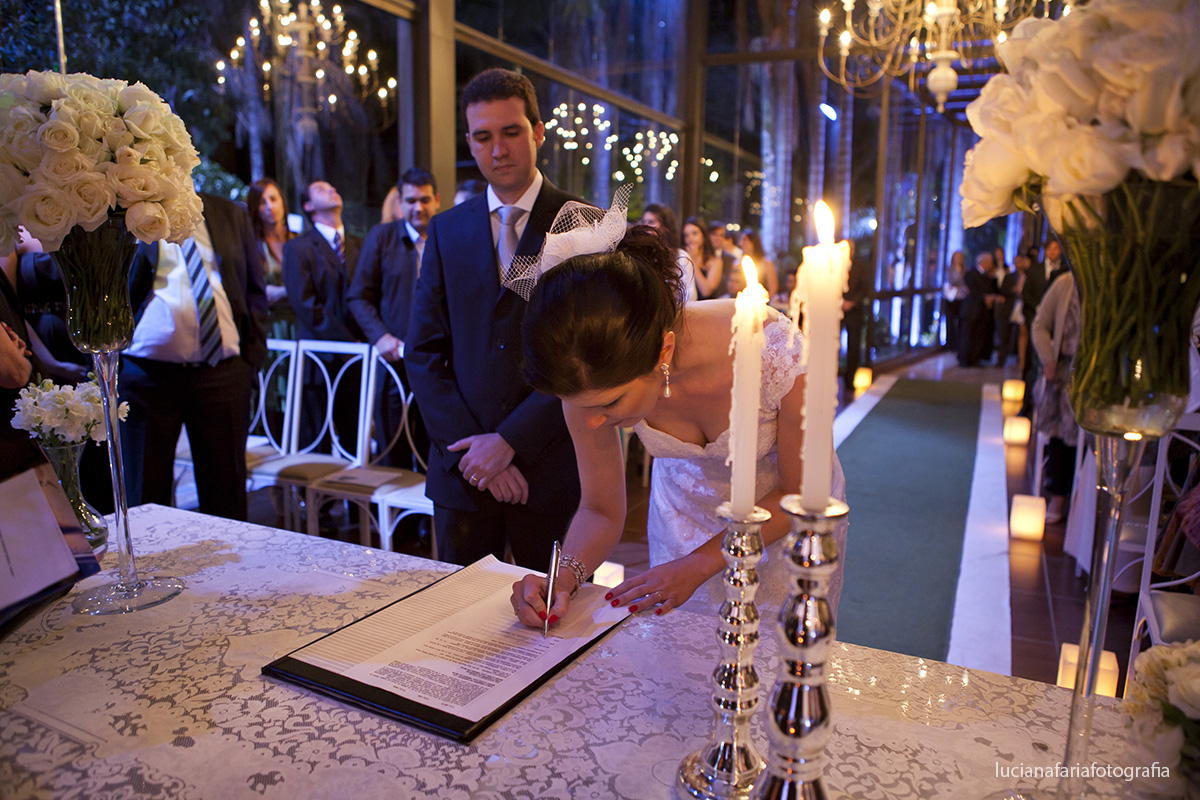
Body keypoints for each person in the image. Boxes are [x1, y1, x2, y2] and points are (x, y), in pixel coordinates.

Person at [509, 223, 847, 629]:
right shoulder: (587, 387)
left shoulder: (776, 354)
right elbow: (599, 509)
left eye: (612, 403)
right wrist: (563, 577)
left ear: (663, 351)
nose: (593, 421)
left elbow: (797, 493)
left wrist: (699, 564)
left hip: (783, 525)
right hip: (681, 521)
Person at [404, 68, 584, 569]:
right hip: (462, 471)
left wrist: (509, 442)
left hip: (547, 468)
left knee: (549, 627)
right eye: (483, 137)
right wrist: (475, 455)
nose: (498, 149)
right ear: (470, 141)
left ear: (538, 132)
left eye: (511, 132)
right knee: (455, 625)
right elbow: (423, 351)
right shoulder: (445, 231)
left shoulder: (583, 223)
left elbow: (587, 358)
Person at [121, 193, 268, 520]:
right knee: (146, 495)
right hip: (147, 376)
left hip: (223, 371)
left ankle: (231, 570)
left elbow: (255, 290)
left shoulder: (228, 212)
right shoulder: (126, 208)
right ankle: (148, 568)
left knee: (226, 494)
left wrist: (252, 356)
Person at [348, 167, 440, 468]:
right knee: (394, 456)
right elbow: (358, 296)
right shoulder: (382, 237)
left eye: (425, 199)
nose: (418, 207)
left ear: (436, 200)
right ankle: (401, 518)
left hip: (438, 365)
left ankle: (433, 517)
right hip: (393, 363)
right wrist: (380, 336)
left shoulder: (446, 236)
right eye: (411, 200)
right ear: (400, 202)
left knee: (437, 455)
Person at [282, 180, 364, 343]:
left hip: (363, 347)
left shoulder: (361, 245)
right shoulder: (298, 248)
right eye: (321, 190)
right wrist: (346, 342)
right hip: (320, 351)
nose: (332, 190)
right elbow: (306, 305)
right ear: (308, 206)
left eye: (332, 187)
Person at [1030, 271, 1080, 524]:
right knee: (1060, 435)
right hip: (1062, 374)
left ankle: (1084, 509)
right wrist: (1048, 357)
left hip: (1095, 376)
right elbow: (1040, 324)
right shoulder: (1065, 284)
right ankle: (1058, 498)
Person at [246, 178, 296, 340]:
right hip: (270, 325)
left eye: (273, 199)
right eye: (262, 202)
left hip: (302, 321)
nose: (269, 207)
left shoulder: (298, 240)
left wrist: (283, 292)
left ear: (282, 201)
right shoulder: (253, 245)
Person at [641, 203, 698, 302]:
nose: (646, 227)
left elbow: (690, 296)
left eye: (651, 222)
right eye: (643, 222)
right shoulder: (641, 255)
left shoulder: (681, 257)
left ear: (665, 226)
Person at [842, 241, 872, 394]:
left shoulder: (860, 267)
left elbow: (864, 288)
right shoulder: (834, 269)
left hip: (854, 312)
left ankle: (850, 380)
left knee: (854, 347)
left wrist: (852, 302)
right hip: (837, 311)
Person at [682, 216, 722, 299]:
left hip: (707, 309)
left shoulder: (715, 261)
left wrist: (693, 262)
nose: (690, 238)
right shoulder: (682, 259)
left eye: (695, 233)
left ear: (703, 236)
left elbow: (706, 291)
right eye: (686, 235)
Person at [738, 228, 779, 298]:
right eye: (741, 240)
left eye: (745, 240)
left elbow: (773, 288)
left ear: (753, 243)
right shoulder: (737, 262)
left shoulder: (767, 263)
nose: (741, 243)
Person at [943, 250, 967, 351]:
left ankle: (959, 344)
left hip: (961, 298)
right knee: (950, 321)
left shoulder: (965, 270)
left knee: (961, 321)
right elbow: (951, 281)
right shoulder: (949, 270)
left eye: (960, 257)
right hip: (951, 298)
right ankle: (950, 344)